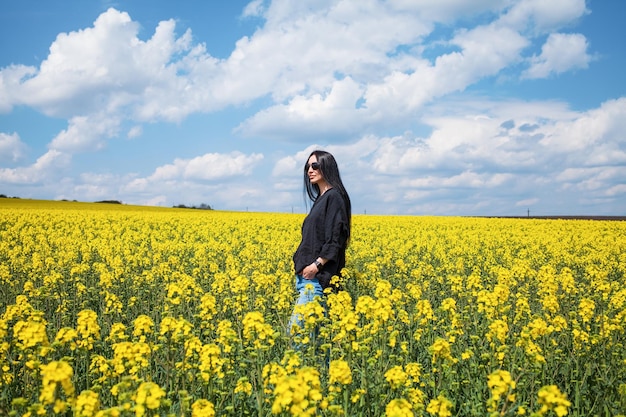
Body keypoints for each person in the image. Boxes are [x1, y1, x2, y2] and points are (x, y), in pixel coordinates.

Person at [288, 150, 351, 338]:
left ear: (327, 166)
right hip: (306, 279)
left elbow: (336, 237)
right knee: (319, 339)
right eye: (307, 166)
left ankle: (302, 368)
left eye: (315, 165)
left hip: (317, 279)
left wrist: (316, 265)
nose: (310, 170)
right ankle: (323, 369)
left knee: (296, 333)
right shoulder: (321, 199)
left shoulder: (334, 197)